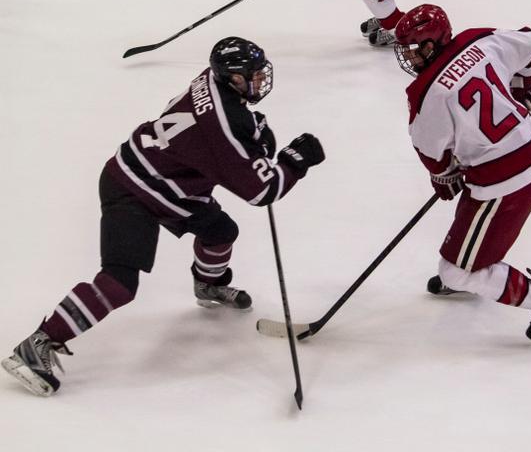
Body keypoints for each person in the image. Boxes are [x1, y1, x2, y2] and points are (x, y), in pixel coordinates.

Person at [2, 37, 325, 397]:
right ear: (234, 78)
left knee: (220, 231)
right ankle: (37, 345)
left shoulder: (210, 80)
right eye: (254, 74)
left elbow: (230, 132)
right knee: (119, 283)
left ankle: (208, 285)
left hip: (169, 183)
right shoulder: (225, 126)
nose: (261, 79)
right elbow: (261, 191)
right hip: (134, 189)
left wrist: (253, 137)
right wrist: (294, 162)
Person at [394, 3, 531, 343]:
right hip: (523, 161)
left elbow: (432, 154)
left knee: (454, 271)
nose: (408, 57)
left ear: (431, 45)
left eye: (413, 49)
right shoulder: (479, 41)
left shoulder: (426, 94)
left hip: (503, 184)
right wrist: (522, 86)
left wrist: (445, 176)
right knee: (468, 229)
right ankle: (470, 270)